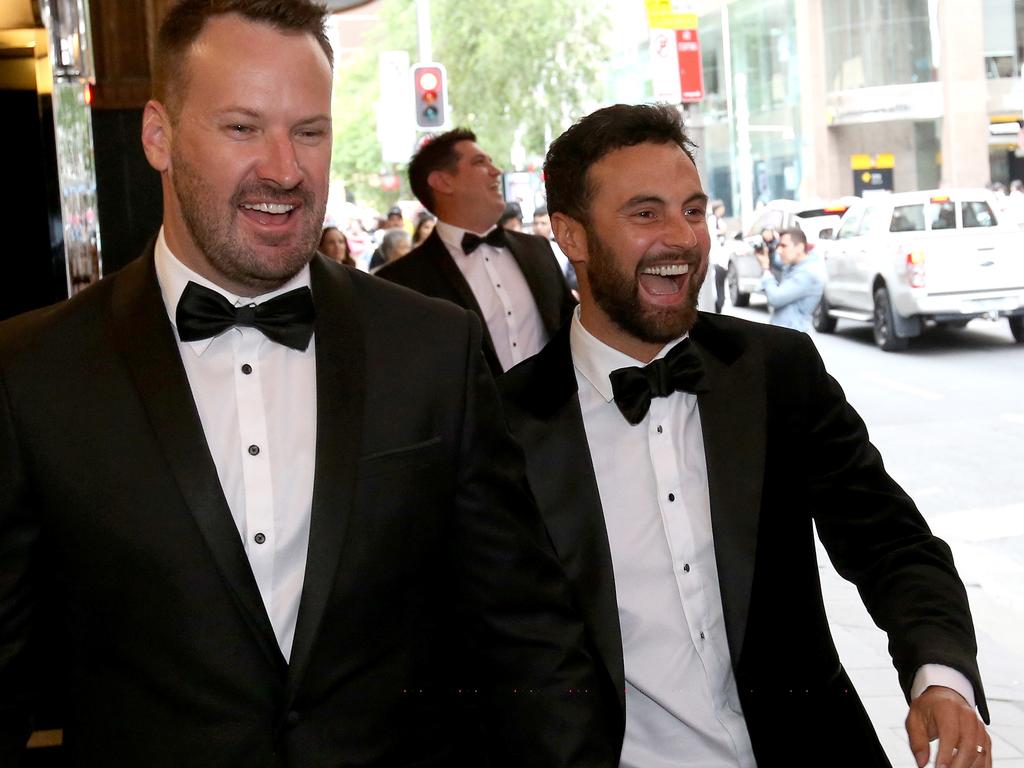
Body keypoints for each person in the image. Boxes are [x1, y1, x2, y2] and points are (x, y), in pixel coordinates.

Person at [0, 2, 619, 765]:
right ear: (157, 136)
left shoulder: (429, 348)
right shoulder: (34, 370)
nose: (285, 169)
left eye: (309, 131)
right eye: (242, 127)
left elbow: (527, 630)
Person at [497, 103, 991, 767]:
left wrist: (941, 677)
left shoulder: (776, 372)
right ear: (572, 235)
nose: (682, 237)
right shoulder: (504, 425)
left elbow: (890, 540)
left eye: (694, 210)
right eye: (646, 213)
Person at [375, 128, 575, 376]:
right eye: (480, 162)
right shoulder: (400, 283)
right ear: (443, 182)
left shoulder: (537, 249)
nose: (496, 171)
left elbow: (571, 326)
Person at [756, 227, 824, 332]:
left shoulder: (806, 273)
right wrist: (770, 244)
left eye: (784, 246)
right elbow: (778, 262)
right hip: (786, 331)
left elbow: (775, 298)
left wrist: (766, 269)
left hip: (793, 335)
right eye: (778, 246)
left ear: (800, 248)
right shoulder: (796, 264)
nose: (779, 250)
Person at [534, 204, 577, 293]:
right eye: (536, 223)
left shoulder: (561, 250)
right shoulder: (526, 250)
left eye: (543, 223)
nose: (538, 227)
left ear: (551, 225)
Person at [707, 200, 729, 313]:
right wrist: (720, 231)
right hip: (715, 259)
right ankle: (718, 305)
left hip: (721, 258)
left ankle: (720, 303)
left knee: (720, 283)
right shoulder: (711, 220)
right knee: (717, 284)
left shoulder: (719, 220)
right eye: (721, 208)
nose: (723, 210)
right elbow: (712, 235)